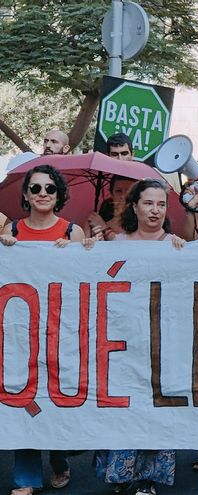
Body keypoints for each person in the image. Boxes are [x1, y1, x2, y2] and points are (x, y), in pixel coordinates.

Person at [94, 179, 183, 495]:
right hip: (122, 342)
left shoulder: (176, 246)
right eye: (148, 203)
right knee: (123, 408)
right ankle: (120, 475)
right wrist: (82, 249)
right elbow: (101, 279)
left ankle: (148, 478)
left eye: (161, 204)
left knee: (156, 409)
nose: (155, 210)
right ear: (134, 206)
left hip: (162, 343)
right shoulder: (117, 243)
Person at [0, 164, 84, 495]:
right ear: (25, 194)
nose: (43, 194)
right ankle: (26, 479)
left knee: (55, 400)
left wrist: (77, 253)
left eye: (50, 188)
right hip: (19, 335)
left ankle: (59, 459)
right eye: (35, 188)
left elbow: (84, 282)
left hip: (60, 332)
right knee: (23, 399)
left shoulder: (72, 233)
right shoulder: (12, 231)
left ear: (58, 194)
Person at [89, 174, 137, 240]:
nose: (123, 196)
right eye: (119, 191)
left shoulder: (142, 224)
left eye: (128, 191)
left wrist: (105, 229)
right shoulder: (95, 221)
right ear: (111, 194)